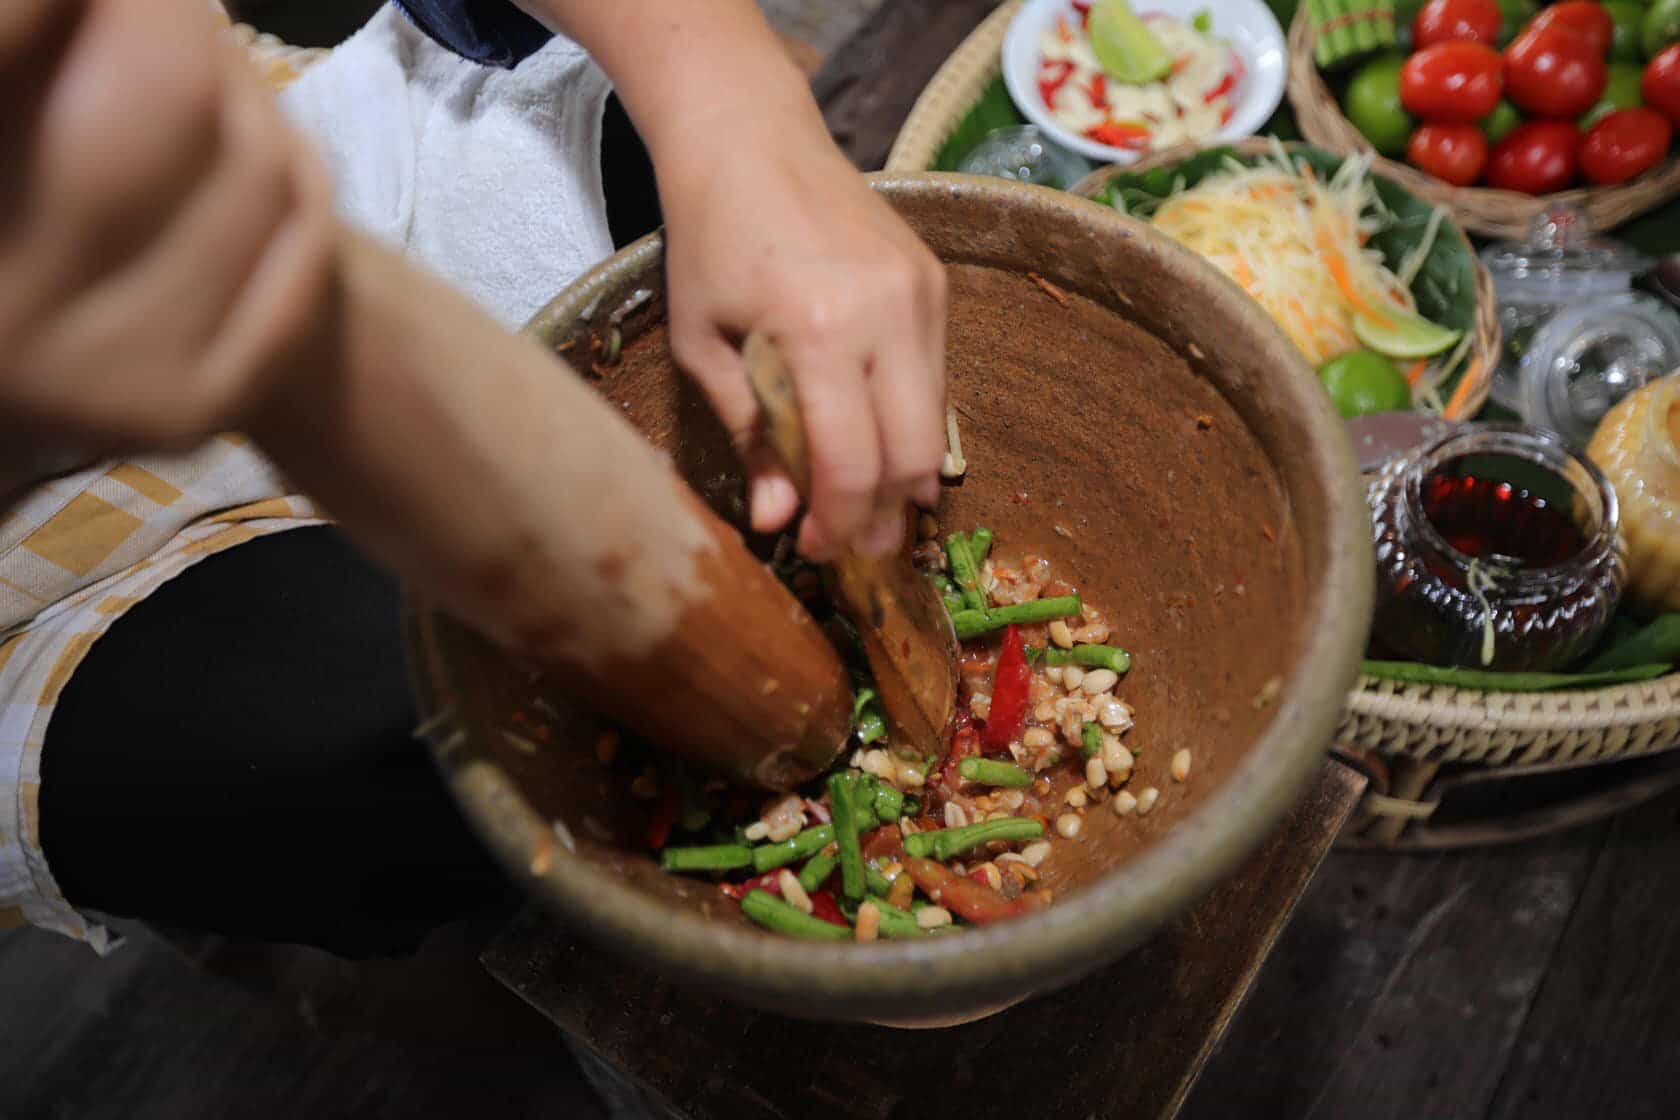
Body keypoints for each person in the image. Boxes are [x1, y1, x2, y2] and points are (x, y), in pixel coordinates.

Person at [0, 0, 947, 956]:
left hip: (287, 159)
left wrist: (728, 109)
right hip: (34, 580)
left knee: (689, 223)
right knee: (385, 760)